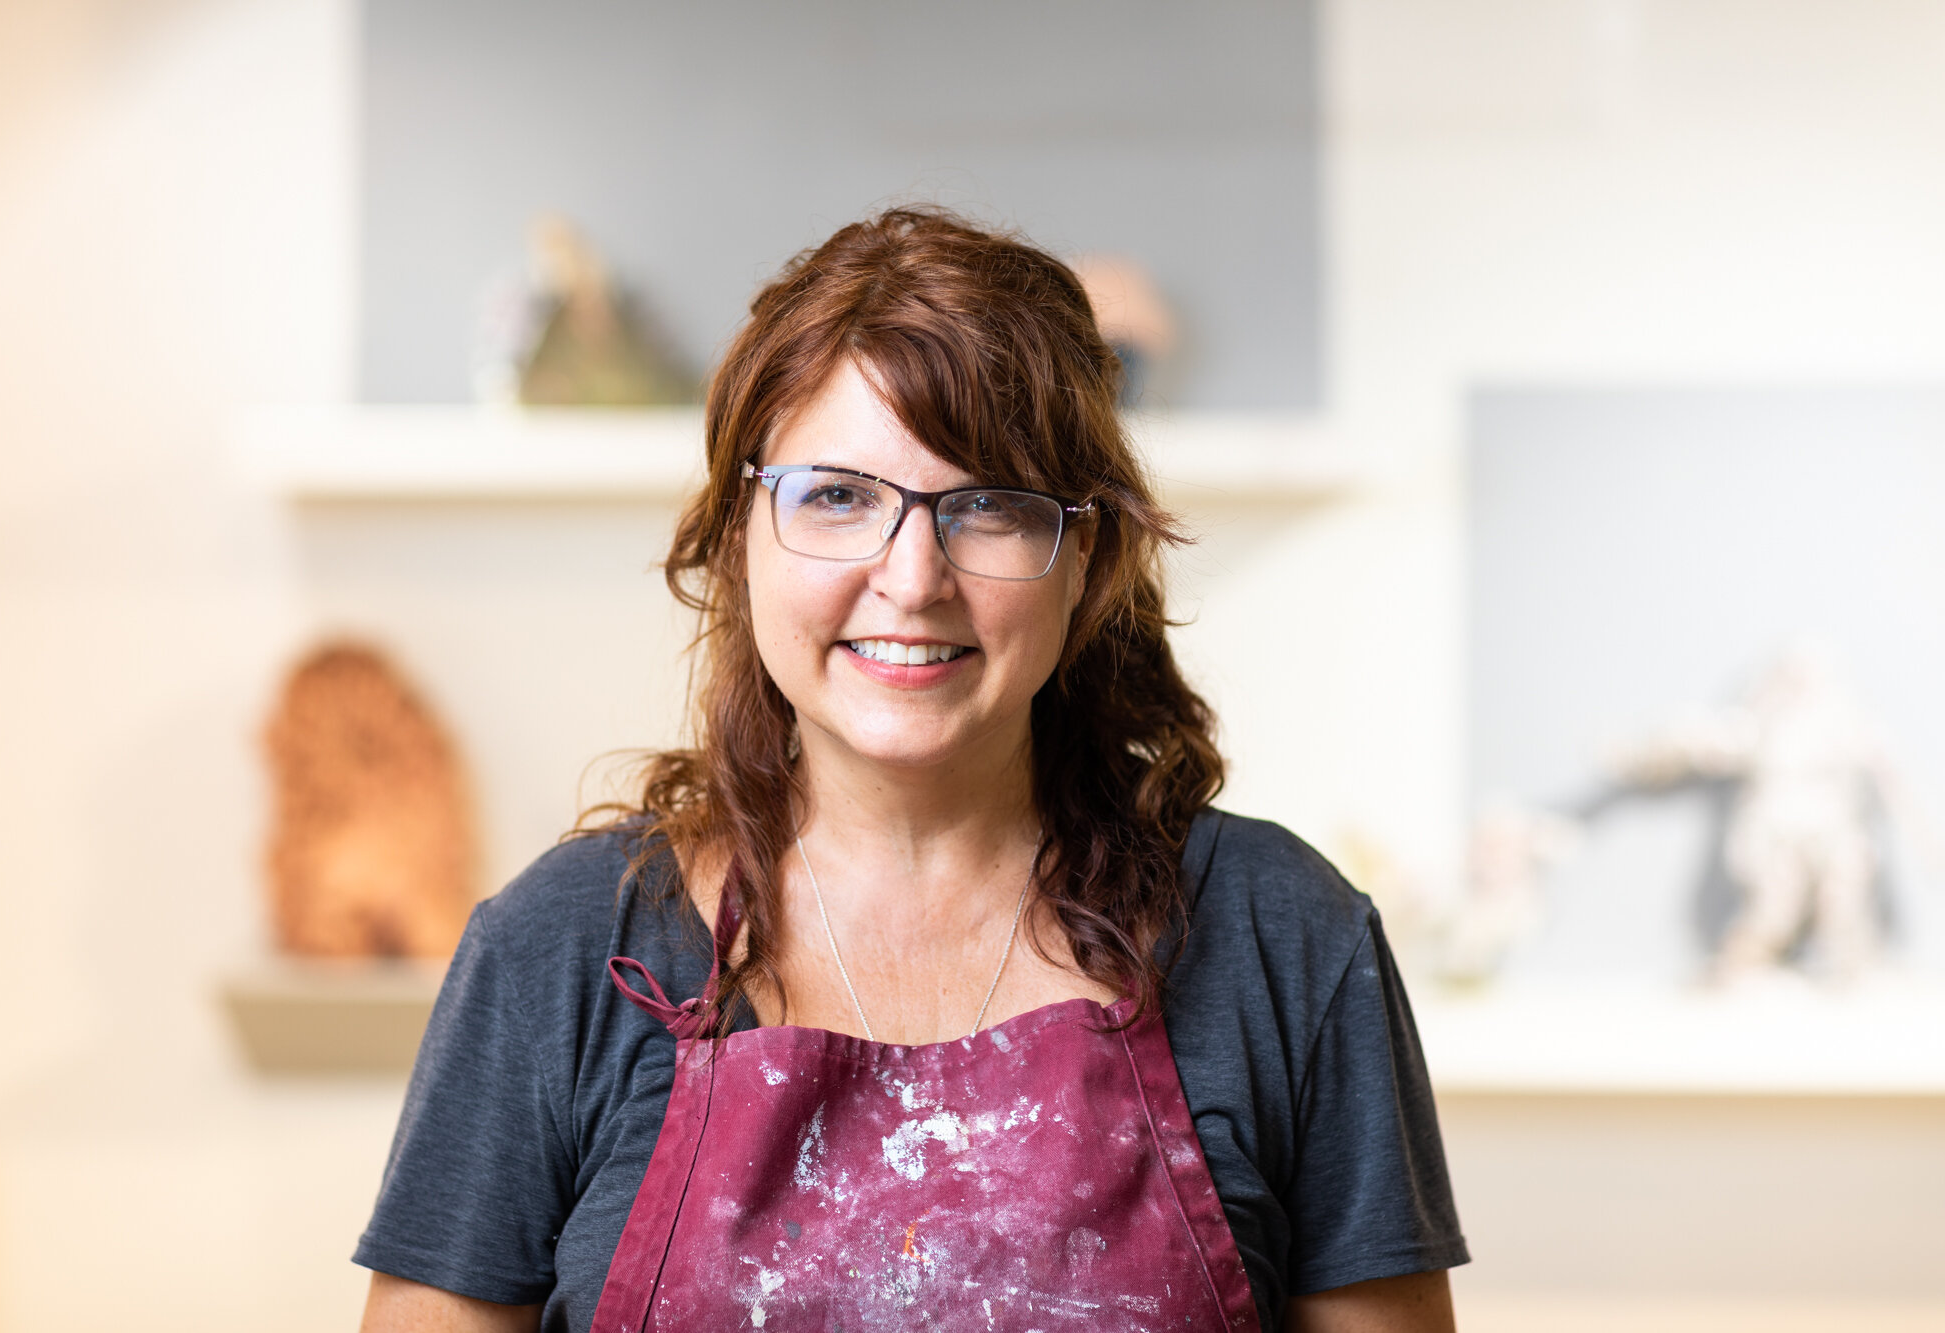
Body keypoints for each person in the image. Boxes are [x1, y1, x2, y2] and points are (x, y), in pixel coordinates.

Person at [355, 208, 1468, 1332]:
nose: (912, 576)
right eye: (836, 495)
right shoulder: (555, 955)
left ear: (1081, 558)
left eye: (987, 505)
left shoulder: (1284, 938)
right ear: (741, 533)